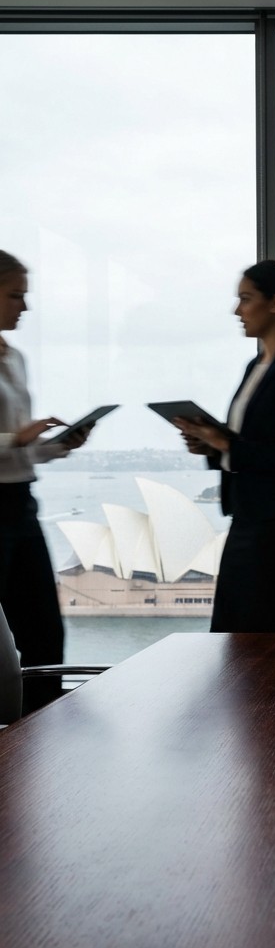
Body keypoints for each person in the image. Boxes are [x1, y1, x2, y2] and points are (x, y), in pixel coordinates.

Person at [177, 261, 275, 632]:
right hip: (251, 517)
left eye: (245, 299)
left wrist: (225, 442)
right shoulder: (256, 365)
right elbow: (251, 443)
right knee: (234, 633)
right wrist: (213, 447)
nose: (237, 310)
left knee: (269, 638)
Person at [0, 250, 92, 712]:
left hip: (20, 503)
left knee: (44, 630)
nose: (25, 306)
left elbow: (21, 450)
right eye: (15, 295)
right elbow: (14, 440)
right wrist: (17, 437)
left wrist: (59, 446)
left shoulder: (15, 358)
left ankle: (39, 728)